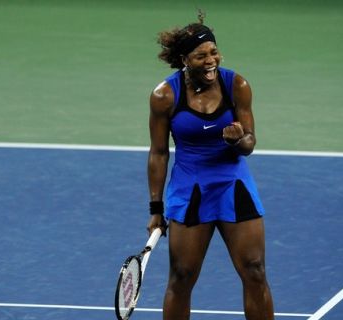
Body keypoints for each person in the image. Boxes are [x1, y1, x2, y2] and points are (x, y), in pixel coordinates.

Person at [146, 13, 274, 320]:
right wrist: (155, 209)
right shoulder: (164, 96)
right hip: (191, 189)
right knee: (182, 276)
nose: (210, 60)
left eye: (213, 52)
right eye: (201, 55)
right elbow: (159, 152)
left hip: (233, 184)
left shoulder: (237, 85)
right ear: (184, 59)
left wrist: (237, 140)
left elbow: (249, 146)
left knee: (255, 271)